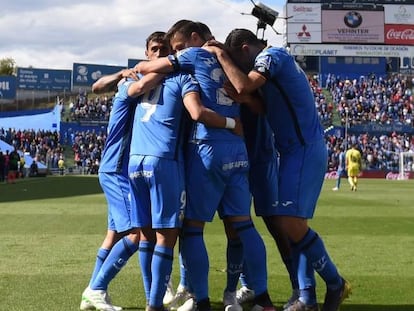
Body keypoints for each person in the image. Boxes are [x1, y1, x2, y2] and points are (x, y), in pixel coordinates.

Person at [205, 28, 352, 311]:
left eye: (238, 59)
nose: (240, 66)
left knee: (289, 223)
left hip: (304, 148)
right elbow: (259, 106)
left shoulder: (273, 56)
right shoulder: (276, 60)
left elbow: (244, 85)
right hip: (291, 151)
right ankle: (307, 297)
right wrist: (245, 99)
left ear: (246, 49)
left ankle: (335, 283)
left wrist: (221, 54)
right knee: (292, 223)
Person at [135, 20, 275, 311]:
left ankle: (200, 301)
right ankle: (259, 298)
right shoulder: (232, 58)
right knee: (243, 226)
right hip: (238, 150)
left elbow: (148, 68)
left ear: (196, 38)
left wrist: (137, 70)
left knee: (192, 230)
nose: (177, 52)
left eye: (178, 46)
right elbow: (257, 102)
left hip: (207, 149)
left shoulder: (194, 55)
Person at [80, 31, 171, 311]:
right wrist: (170, 64)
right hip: (118, 168)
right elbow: (97, 87)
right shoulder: (133, 82)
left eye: (164, 49)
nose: (159, 53)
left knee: (114, 234)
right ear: (146, 52)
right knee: (136, 233)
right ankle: (97, 288)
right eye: (155, 49)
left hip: (127, 169)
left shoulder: (145, 81)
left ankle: (92, 294)